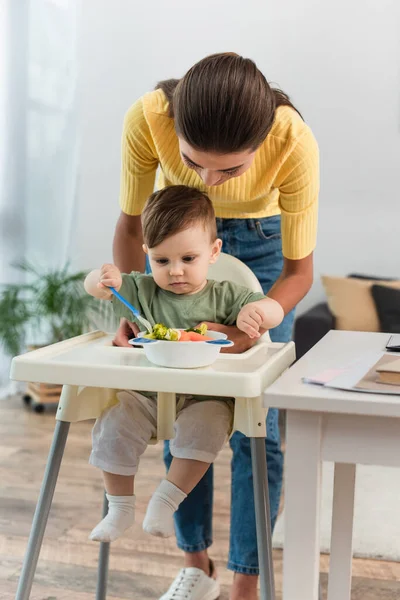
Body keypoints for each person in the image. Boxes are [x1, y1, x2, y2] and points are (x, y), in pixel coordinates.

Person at [112, 52, 319, 600]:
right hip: (176, 240)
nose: (210, 182)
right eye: (193, 162)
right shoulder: (148, 118)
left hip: (262, 245)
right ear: (174, 129)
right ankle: (196, 567)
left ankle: (245, 582)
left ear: (263, 140)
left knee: (259, 426)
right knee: (179, 403)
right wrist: (134, 315)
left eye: (230, 169)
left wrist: (257, 325)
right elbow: (133, 225)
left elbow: (300, 272)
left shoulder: (292, 142)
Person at [84, 185, 283, 546]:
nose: (175, 271)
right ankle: (120, 507)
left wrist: (259, 313)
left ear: (213, 252)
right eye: (162, 261)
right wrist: (102, 280)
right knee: (112, 423)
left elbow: (275, 309)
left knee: (205, 426)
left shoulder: (227, 295)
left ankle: (166, 500)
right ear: (147, 256)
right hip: (146, 394)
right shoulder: (142, 291)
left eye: (188, 259)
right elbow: (96, 288)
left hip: (205, 397)